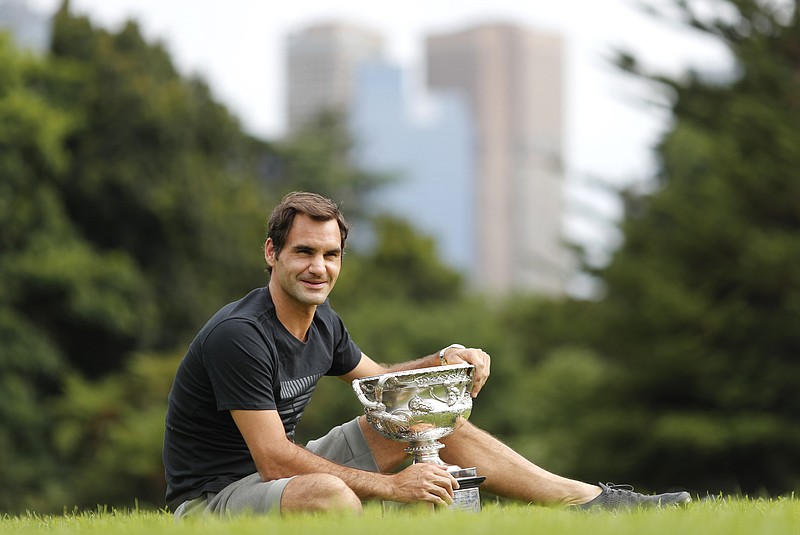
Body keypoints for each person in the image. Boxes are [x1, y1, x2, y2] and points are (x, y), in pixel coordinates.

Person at [162, 191, 690, 518]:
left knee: (427, 417)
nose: (318, 267)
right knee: (330, 497)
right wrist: (393, 486)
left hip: (276, 475)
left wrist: (445, 361)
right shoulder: (241, 335)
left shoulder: (323, 324)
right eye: (303, 251)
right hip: (216, 496)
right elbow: (274, 459)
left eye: (330, 254)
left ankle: (591, 503)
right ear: (272, 253)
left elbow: (385, 384)